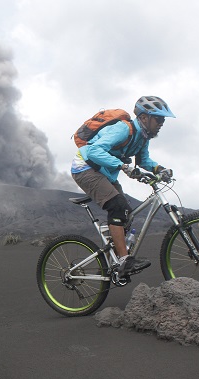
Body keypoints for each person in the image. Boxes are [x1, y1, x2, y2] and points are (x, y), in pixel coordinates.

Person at [71, 95, 175, 277]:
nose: (162, 123)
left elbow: (143, 160)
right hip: (84, 167)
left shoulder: (143, 138)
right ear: (144, 117)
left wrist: (159, 169)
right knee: (117, 207)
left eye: (163, 120)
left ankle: (114, 250)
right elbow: (95, 150)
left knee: (126, 212)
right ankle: (124, 260)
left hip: (103, 172)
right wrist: (123, 166)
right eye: (158, 118)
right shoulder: (122, 129)